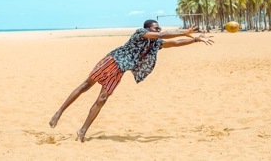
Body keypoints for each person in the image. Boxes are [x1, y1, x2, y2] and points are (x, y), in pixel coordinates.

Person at [49, 19, 214, 142]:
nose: (159, 30)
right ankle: (59, 112)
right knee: (85, 86)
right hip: (112, 60)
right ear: (148, 28)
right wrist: (184, 32)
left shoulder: (155, 44)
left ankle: (82, 130)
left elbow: (175, 43)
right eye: (156, 27)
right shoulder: (139, 33)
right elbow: (164, 35)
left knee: (102, 99)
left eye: (159, 28)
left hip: (120, 70)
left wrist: (196, 39)